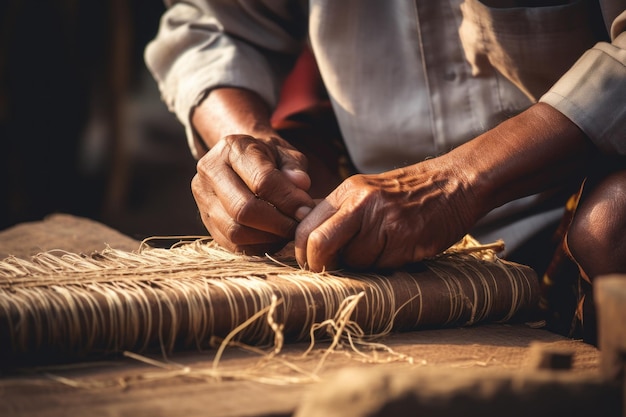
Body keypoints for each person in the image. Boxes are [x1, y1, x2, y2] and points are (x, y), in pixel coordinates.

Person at [145, 1, 626, 339]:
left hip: (573, 205)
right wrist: (248, 138)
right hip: (371, 221)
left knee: (611, 226)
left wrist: (455, 182)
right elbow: (211, 25)